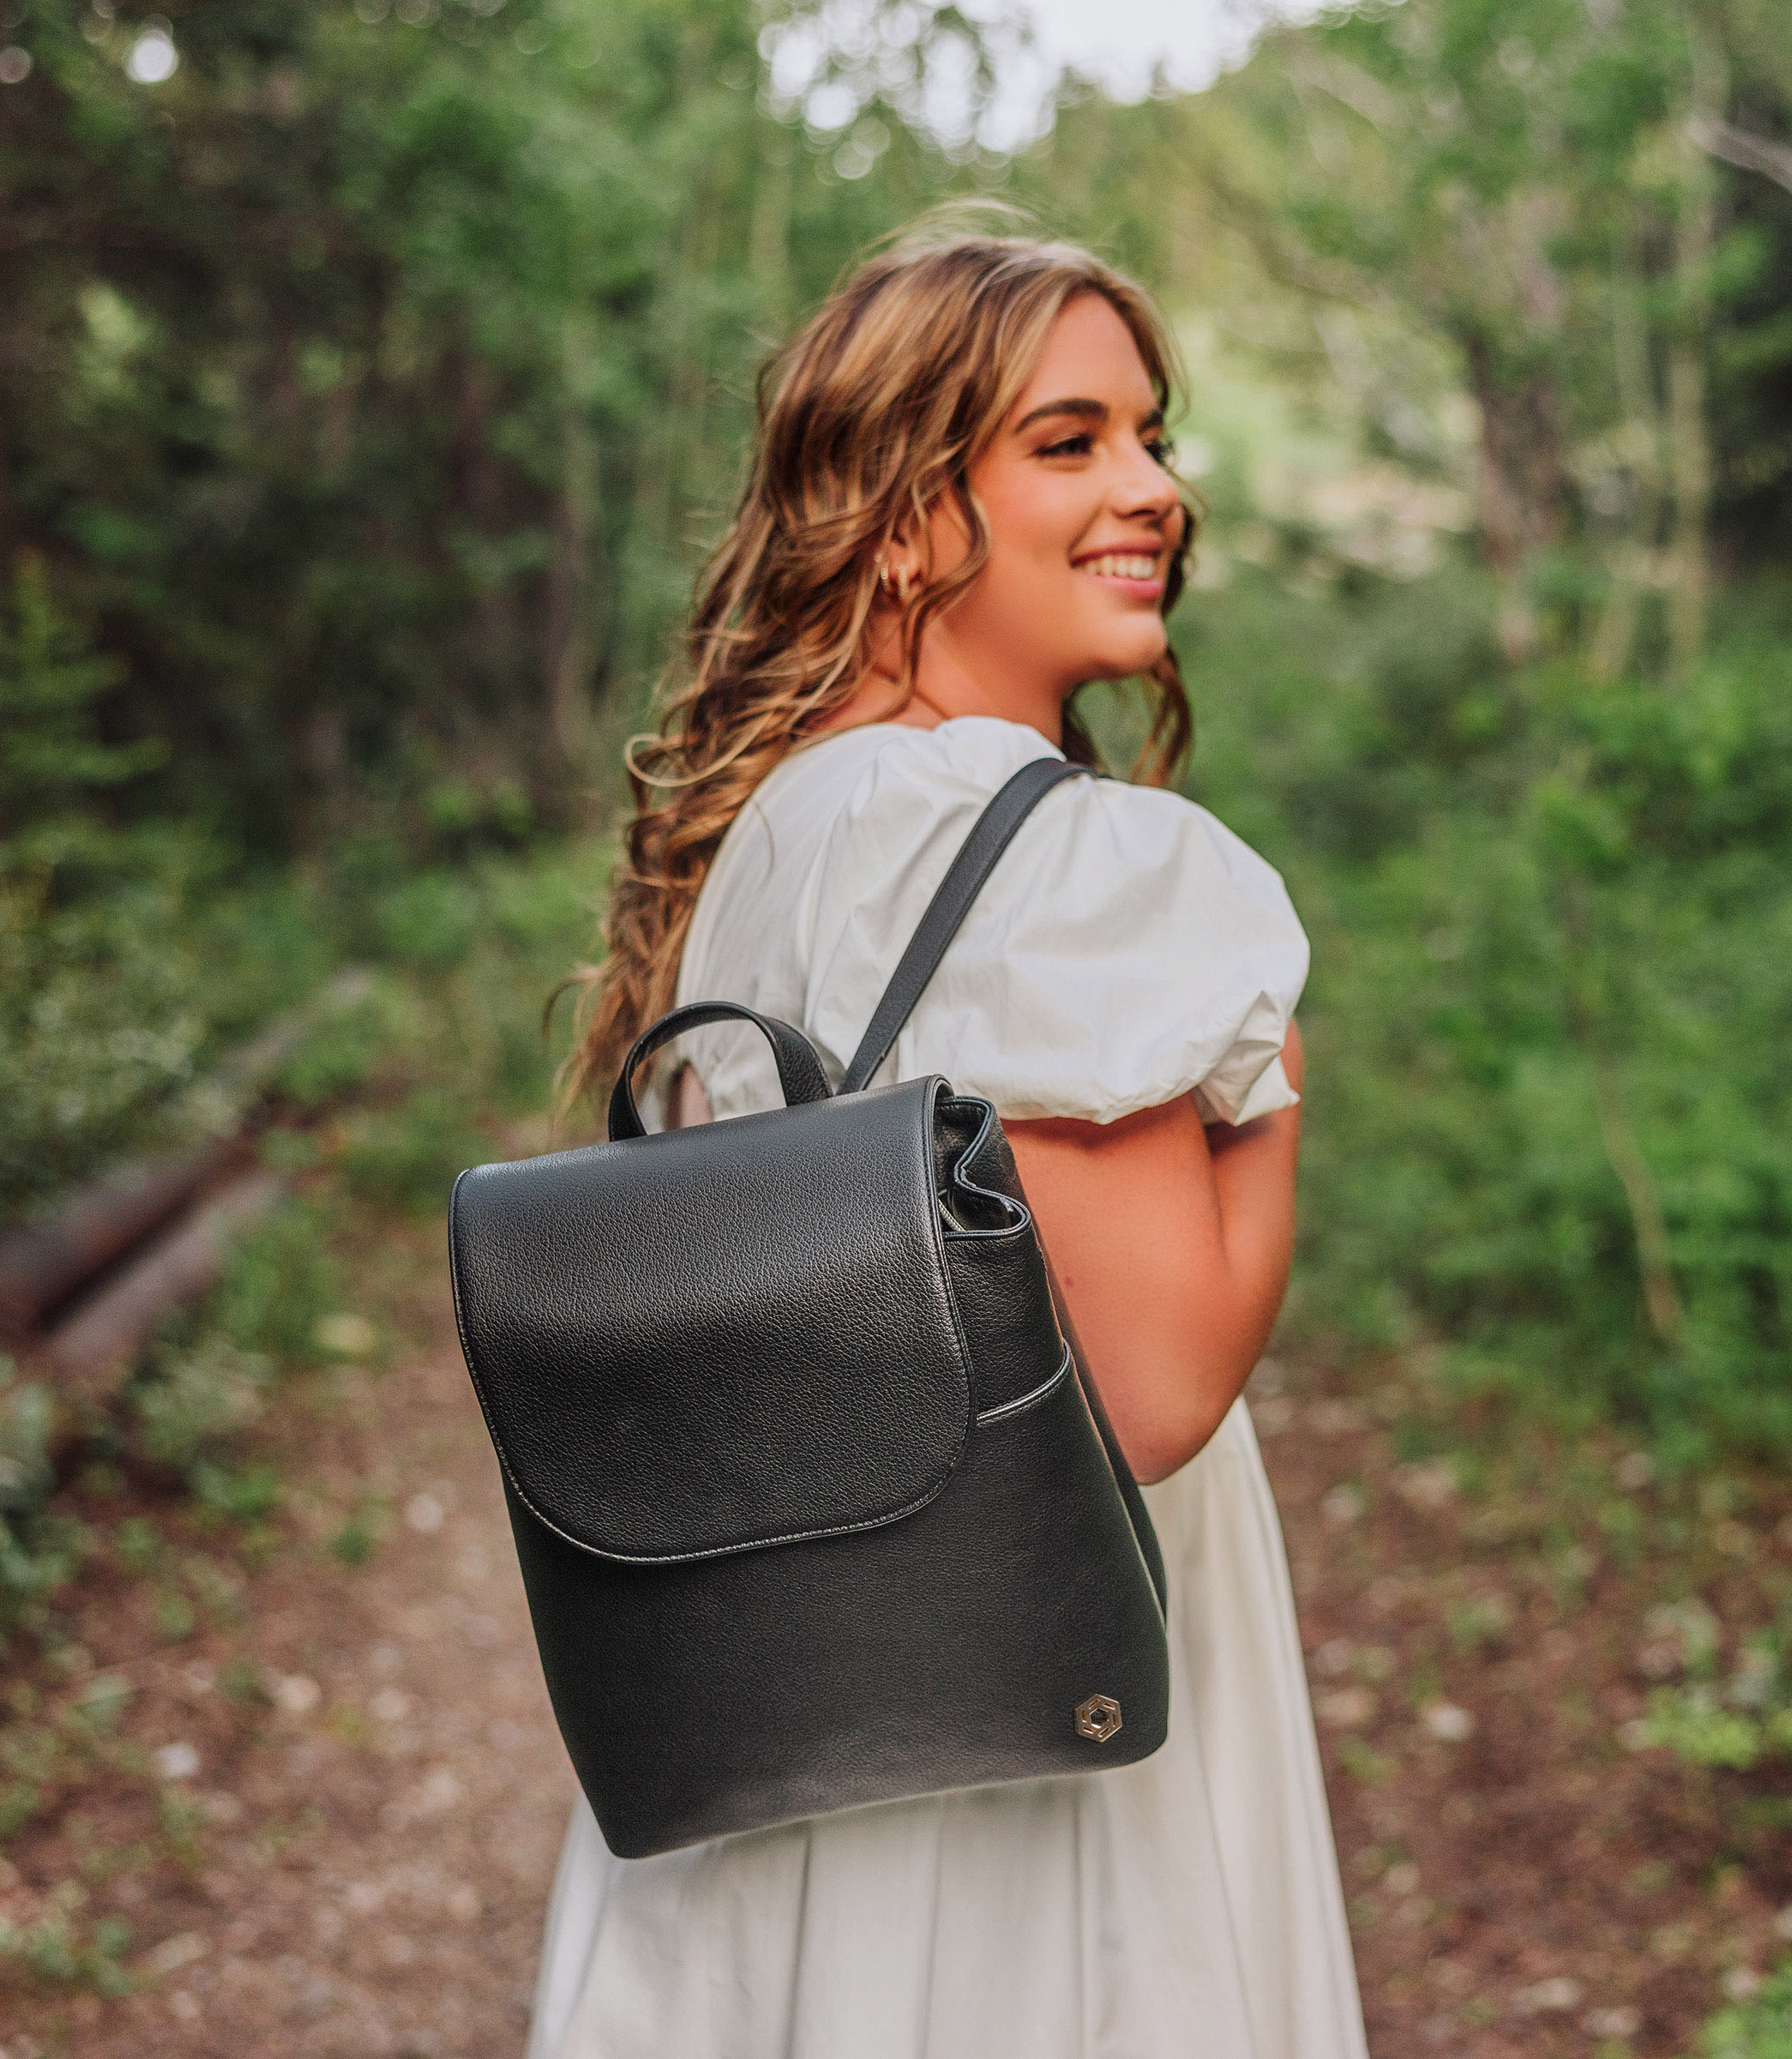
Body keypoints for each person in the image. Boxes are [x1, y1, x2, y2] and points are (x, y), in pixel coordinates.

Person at [525, 222, 1369, 2059]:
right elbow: (1146, 1392)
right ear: (903, 515)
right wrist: (1274, 1066)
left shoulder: (777, 821)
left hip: (786, 1694)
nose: (1152, 488)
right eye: (1067, 444)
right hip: (1025, 1710)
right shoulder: (1072, 857)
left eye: (1150, 435)